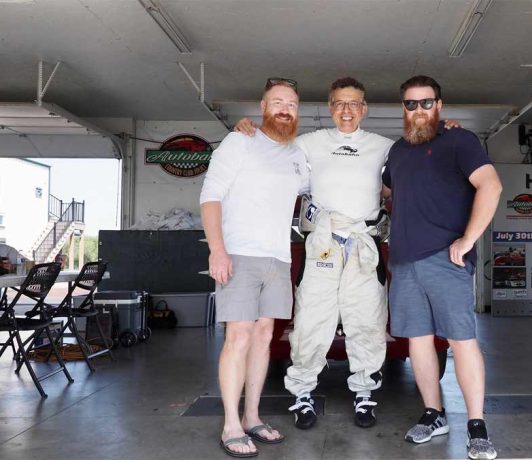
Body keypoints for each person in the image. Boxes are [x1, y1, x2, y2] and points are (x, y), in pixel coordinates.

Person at [235, 77, 393, 429]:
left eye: (354, 104)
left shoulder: (384, 146)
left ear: (364, 109)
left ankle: (365, 393)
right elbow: (269, 150)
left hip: (364, 246)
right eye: (339, 103)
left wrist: (449, 129)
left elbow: (419, 153)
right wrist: (247, 129)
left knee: (367, 320)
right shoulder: (308, 143)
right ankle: (302, 393)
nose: (347, 111)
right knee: (311, 319)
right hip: (322, 243)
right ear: (330, 108)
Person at [382, 75, 503, 460]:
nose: (419, 110)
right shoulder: (397, 152)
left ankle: (476, 425)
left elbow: (492, 186)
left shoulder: (459, 141)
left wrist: (468, 240)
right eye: (411, 104)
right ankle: (434, 414)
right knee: (417, 340)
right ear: (403, 109)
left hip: (445, 259)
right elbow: (390, 193)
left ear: (440, 105)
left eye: (426, 102)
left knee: (461, 339)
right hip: (403, 261)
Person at [200, 77, 310, 458]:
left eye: (292, 104)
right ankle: (230, 424)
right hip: (239, 254)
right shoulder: (240, 141)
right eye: (277, 102)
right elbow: (210, 196)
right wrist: (218, 251)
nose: (285, 108)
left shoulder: (298, 154)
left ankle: (252, 416)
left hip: (279, 258)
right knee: (239, 337)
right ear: (263, 107)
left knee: (265, 336)